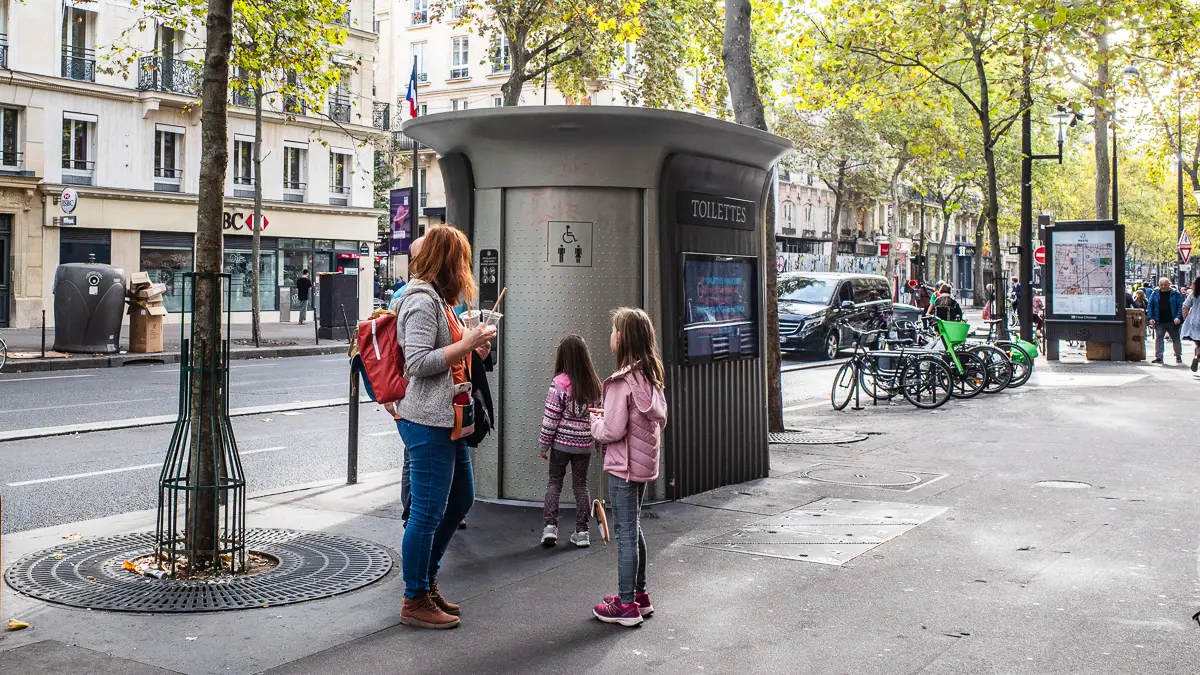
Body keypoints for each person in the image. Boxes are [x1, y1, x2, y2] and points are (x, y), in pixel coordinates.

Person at [395, 225, 496, 629]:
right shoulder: (421, 301)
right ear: (450, 260)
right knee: (427, 512)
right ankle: (414, 597)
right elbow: (417, 363)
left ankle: (426, 581)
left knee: (460, 500)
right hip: (428, 420)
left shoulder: (439, 300)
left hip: (448, 419)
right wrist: (465, 344)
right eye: (462, 259)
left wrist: (474, 349)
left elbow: (448, 359)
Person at [590, 308, 668, 628]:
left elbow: (613, 430)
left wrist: (595, 423)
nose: (610, 335)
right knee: (633, 528)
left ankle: (625, 605)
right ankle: (639, 595)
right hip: (642, 465)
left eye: (613, 330)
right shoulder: (649, 376)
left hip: (623, 468)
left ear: (621, 338)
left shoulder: (623, 382)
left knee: (624, 534)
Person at [539, 335, 603, 548]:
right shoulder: (595, 385)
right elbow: (599, 417)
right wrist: (599, 444)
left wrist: (544, 444)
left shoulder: (558, 383)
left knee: (554, 483)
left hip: (560, 445)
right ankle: (582, 531)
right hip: (583, 445)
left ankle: (550, 528)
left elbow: (551, 418)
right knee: (580, 486)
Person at [392, 236, 424, 524]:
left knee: (413, 459)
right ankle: (410, 512)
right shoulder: (414, 299)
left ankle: (412, 513)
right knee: (413, 460)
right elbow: (416, 359)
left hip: (411, 396)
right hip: (414, 395)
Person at [1147, 276, 1184, 364]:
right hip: (1159, 321)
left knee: (1176, 339)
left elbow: (1180, 306)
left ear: (1169, 285)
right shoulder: (1155, 293)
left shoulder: (1176, 294)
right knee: (1158, 339)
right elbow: (1150, 306)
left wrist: (1178, 317)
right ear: (1159, 285)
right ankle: (1159, 357)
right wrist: (1151, 318)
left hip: (1172, 321)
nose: (1163, 287)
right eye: (1161, 285)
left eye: (1165, 285)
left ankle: (1178, 356)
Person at [1181, 278, 1200, 372]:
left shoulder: (1193, 295)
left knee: (1198, 343)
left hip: (1195, 322)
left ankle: (1197, 356)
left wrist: (1186, 319)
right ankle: (1197, 357)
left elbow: (1185, 306)